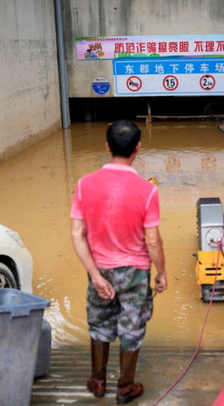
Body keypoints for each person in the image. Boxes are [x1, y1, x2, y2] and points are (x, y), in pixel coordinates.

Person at [70, 120, 167, 404]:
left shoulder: (84, 184)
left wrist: (95, 275)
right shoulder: (147, 190)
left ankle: (98, 382)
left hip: (99, 270)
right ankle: (125, 387)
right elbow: (153, 241)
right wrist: (162, 272)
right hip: (135, 274)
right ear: (138, 148)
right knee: (131, 328)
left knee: (99, 325)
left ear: (107, 146)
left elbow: (77, 234)